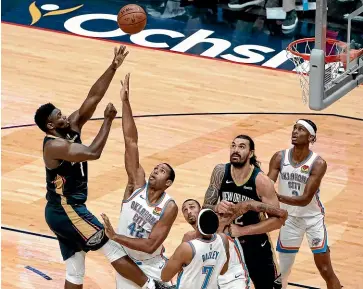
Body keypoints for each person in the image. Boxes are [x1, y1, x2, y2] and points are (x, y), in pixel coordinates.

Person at [34, 46, 170, 289]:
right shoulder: (53, 146)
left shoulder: (70, 126)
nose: (65, 115)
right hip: (66, 210)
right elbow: (92, 153)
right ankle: (152, 286)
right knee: (110, 243)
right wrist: (107, 121)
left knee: (75, 270)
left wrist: (113, 66)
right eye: (59, 115)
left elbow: (93, 97)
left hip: (65, 210)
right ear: (50, 124)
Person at [100, 73, 178, 289]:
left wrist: (115, 236)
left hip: (151, 265)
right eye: (155, 168)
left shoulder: (169, 206)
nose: (155, 171)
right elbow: (131, 141)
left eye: (162, 171)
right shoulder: (136, 183)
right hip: (125, 261)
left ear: (168, 183)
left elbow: (151, 244)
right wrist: (125, 102)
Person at [202, 134, 285, 289]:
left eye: (241, 147)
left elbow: (278, 220)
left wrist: (243, 230)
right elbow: (205, 208)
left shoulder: (261, 181)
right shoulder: (220, 172)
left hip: (255, 245)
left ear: (251, 153)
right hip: (227, 244)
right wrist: (215, 207)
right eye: (233, 146)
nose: (235, 150)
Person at [268, 119, 342, 289]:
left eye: (301, 129)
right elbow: (267, 184)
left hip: (312, 219)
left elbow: (305, 199)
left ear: (311, 137)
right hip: (289, 220)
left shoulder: (318, 163)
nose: (295, 132)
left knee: (325, 269)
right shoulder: (279, 157)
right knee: (283, 274)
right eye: (294, 128)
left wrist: (277, 197)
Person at [160, 208, 230, 289]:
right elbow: (223, 271)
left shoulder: (187, 248)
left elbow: (165, 277)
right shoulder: (224, 240)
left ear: (197, 226)